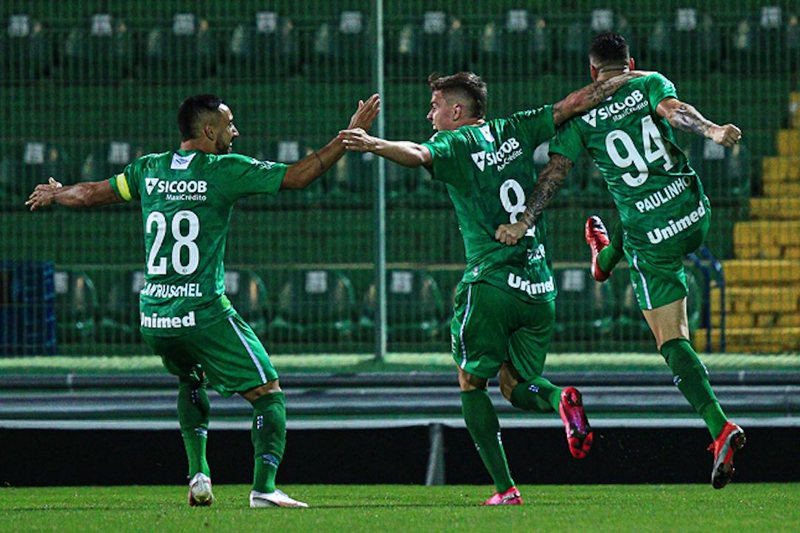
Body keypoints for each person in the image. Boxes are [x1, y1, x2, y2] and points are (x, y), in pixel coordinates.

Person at [27, 93, 380, 507]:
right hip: (203, 312)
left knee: (190, 379)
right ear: (209, 131)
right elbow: (299, 176)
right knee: (268, 394)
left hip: (155, 318)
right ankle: (264, 489)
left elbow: (88, 194)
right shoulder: (223, 170)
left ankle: (198, 474)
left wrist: (57, 193)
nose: (236, 131)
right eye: (230, 124)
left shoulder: (149, 168)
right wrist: (348, 136)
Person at [339, 71, 637, 505]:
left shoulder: (455, 143)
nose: (430, 114)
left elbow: (418, 153)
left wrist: (373, 144)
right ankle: (559, 399)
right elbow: (572, 104)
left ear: (457, 111)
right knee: (517, 384)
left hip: (492, 283)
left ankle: (505, 489)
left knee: (470, 382)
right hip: (538, 287)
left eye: (436, 105)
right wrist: (625, 81)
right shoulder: (516, 128)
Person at [494, 31, 745, 489]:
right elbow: (677, 112)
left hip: (650, 236)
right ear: (631, 62)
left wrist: (524, 220)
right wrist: (713, 130)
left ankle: (719, 426)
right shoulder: (649, 81)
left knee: (672, 342)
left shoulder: (578, 117)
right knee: (636, 207)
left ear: (592, 72)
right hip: (693, 210)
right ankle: (604, 258)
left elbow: (554, 175)